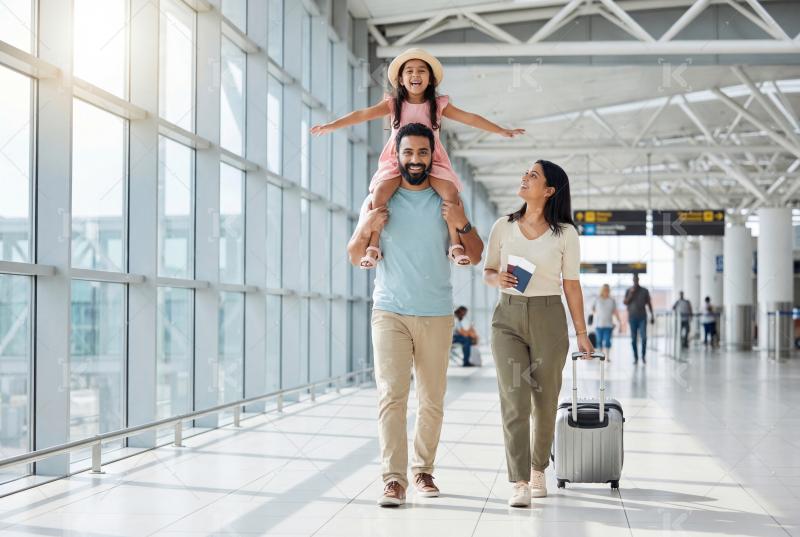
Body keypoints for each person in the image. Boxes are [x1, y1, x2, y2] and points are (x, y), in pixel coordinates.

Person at [347, 123, 484, 507]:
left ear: (432, 156)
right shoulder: (378, 200)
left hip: (437, 312)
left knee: (432, 399)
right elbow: (354, 254)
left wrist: (462, 222)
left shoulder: (447, 200)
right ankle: (393, 479)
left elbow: (474, 255)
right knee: (391, 396)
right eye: (408, 153)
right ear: (397, 155)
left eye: (423, 153)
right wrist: (367, 230)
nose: (415, 160)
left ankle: (423, 470)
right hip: (389, 309)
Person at [313, 47, 523, 268]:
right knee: (380, 192)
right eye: (409, 71)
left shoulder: (438, 105)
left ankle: (455, 244)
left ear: (430, 79)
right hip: (398, 159)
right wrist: (332, 125)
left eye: (421, 71)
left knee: (450, 192)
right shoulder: (394, 104)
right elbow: (362, 114)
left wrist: (500, 130)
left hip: (433, 159)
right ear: (401, 80)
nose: (415, 75)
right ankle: (373, 245)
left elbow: (469, 118)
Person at [483, 160, 593, 508]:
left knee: (544, 401)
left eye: (533, 175)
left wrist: (582, 333)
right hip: (508, 318)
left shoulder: (566, 234)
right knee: (514, 397)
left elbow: (572, 285)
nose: (524, 177)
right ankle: (518, 480)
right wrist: (495, 278)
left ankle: (537, 469)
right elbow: (487, 270)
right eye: (525, 173)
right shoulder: (503, 226)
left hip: (549, 317)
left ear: (549, 191)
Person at [623, 274, 654, 364]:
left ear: (638, 280)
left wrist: (652, 315)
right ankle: (636, 357)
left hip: (642, 317)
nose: (635, 281)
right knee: (633, 339)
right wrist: (631, 294)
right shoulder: (629, 290)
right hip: (632, 317)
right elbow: (625, 302)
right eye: (634, 280)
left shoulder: (645, 291)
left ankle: (643, 356)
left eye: (637, 279)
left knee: (644, 337)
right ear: (632, 280)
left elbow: (649, 303)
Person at [592, 284, 623, 362]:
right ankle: (600, 356)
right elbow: (593, 309)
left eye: (607, 290)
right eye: (605, 290)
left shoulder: (612, 300)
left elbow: (615, 312)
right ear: (602, 290)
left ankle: (608, 357)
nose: (606, 291)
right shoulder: (597, 299)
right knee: (599, 341)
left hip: (608, 325)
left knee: (608, 341)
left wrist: (619, 322)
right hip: (598, 325)